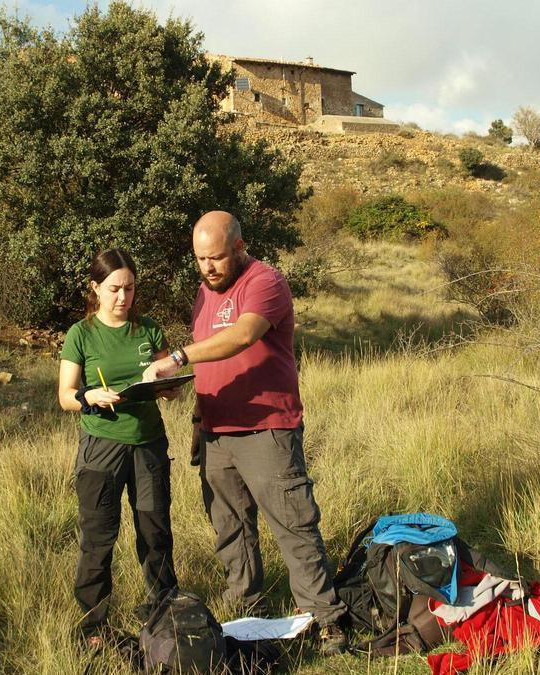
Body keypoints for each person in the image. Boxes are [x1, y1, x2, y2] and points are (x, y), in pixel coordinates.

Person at [142, 211, 348, 655]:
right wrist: (196, 413)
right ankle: (246, 609)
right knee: (230, 528)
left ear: (238, 246)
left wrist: (178, 356)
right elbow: (213, 364)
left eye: (215, 258)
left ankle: (324, 617)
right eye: (200, 259)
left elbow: (241, 337)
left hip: (267, 429)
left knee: (293, 523)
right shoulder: (203, 294)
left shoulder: (264, 281)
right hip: (217, 431)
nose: (208, 268)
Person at [58, 248, 177, 647]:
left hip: (148, 445)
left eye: (129, 288)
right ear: (95, 288)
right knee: (98, 536)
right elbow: (65, 395)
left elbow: (167, 382)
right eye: (113, 289)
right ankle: (94, 626)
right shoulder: (81, 334)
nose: (123, 298)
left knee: (155, 530)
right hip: (102, 448)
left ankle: (164, 613)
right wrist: (91, 396)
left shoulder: (149, 330)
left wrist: (168, 385)